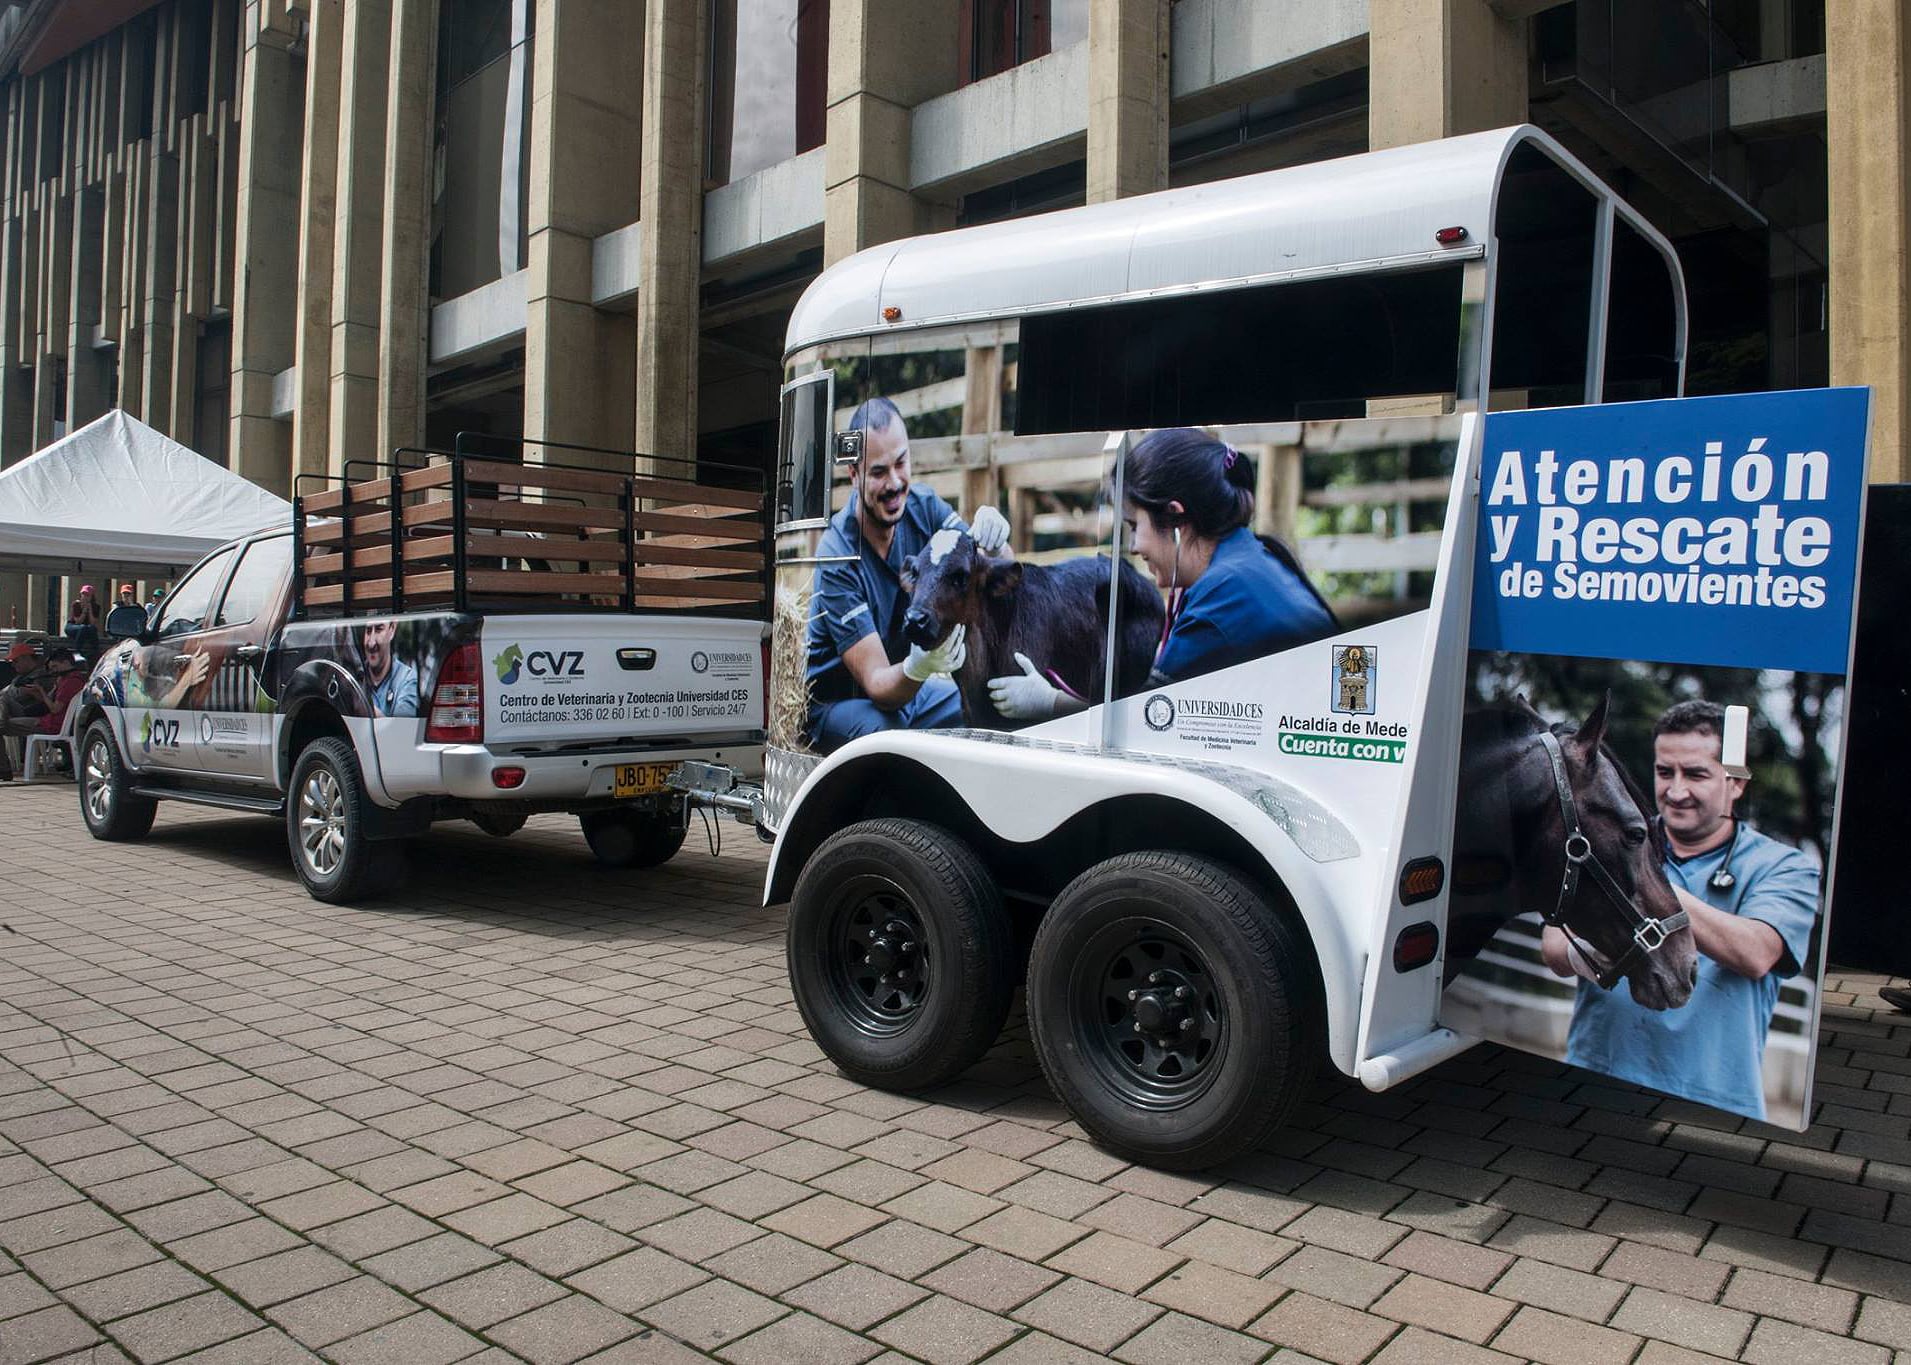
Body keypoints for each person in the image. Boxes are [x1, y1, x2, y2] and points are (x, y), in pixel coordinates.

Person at [1541, 699, 1821, 1120]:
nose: (1675, 791)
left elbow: (1756, 953)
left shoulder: (1784, 867)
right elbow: (1552, 946)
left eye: (1695, 774)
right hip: (1595, 1079)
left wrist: (1645, 883)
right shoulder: (1612, 841)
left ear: (1736, 783)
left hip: (1714, 1104)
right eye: (1664, 771)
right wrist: (1585, 954)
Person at [988, 427, 1336, 721]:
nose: (1135, 546)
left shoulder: (1223, 597)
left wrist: (1048, 703)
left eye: (1133, 525)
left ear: (1174, 518)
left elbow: (1150, 722)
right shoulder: (1248, 559)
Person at [805, 396, 1011, 752]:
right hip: (841, 702)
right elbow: (879, 687)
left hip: (909, 690)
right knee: (890, 739)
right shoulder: (837, 555)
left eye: (901, 463)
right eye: (879, 472)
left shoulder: (924, 507)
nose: (896, 483)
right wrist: (921, 665)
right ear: (853, 474)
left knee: (981, 703)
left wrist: (996, 543)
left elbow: (995, 577)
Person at [0, 646, 83, 780]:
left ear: (66, 663)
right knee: (2, 699)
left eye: (55, 667)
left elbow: (55, 708)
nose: (53, 671)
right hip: (46, 720)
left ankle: (3, 768)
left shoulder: (71, 682)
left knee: (3, 699)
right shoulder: (64, 679)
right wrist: (39, 693)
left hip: (51, 724)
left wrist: (41, 692)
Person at [359, 620, 418, 717]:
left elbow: (401, 728)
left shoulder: (406, 679)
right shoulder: (355, 676)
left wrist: (360, 704)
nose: (371, 643)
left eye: (379, 629)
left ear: (392, 629)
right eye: (368, 631)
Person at [64, 585, 101, 658]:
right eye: (83, 594)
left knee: (92, 628)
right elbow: (78, 622)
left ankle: (95, 651)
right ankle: (77, 650)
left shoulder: (96, 607)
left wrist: (90, 610)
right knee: (82, 628)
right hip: (72, 626)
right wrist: (84, 611)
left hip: (86, 628)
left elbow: (93, 622)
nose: (84, 597)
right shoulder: (76, 604)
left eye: (87, 595)